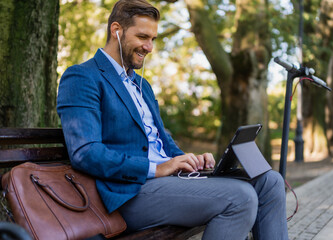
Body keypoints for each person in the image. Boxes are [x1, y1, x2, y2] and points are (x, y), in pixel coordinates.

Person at [57, 0, 289, 239]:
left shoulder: (141, 85)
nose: (149, 47)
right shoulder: (83, 77)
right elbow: (86, 153)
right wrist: (156, 169)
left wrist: (187, 160)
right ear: (116, 30)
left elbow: (161, 140)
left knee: (269, 181)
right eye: (142, 37)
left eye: (153, 39)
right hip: (129, 193)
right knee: (240, 197)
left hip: (168, 183)